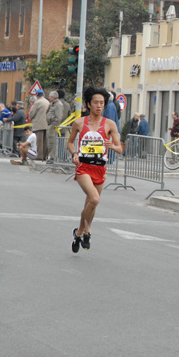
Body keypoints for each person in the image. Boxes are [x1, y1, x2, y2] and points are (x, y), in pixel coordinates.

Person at [67, 86, 123, 253]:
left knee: (91, 203)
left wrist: (112, 145)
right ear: (89, 104)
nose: (99, 106)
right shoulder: (79, 122)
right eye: (96, 102)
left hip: (100, 168)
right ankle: (88, 231)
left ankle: (78, 233)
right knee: (94, 199)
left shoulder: (110, 124)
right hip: (83, 167)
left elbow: (120, 148)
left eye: (102, 103)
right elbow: (70, 142)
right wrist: (74, 153)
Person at [28, 89, 49, 160]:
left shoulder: (37, 102)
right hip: (46, 124)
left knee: (39, 141)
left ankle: (39, 156)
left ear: (36, 95)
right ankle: (45, 156)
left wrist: (31, 119)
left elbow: (32, 113)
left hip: (39, 124)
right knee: (45, 141)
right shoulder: (47, 102)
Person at [46, 91, 64, 163]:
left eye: (50, 96)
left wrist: (54, 122)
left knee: (52, 141)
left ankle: (53, 157)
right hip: (50, 124)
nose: (49, 98)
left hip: (53, 125)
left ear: (53, 97)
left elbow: (59, 117)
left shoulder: (58, 105)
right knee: (49, 141)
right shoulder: (52, 104)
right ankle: (51, 156)